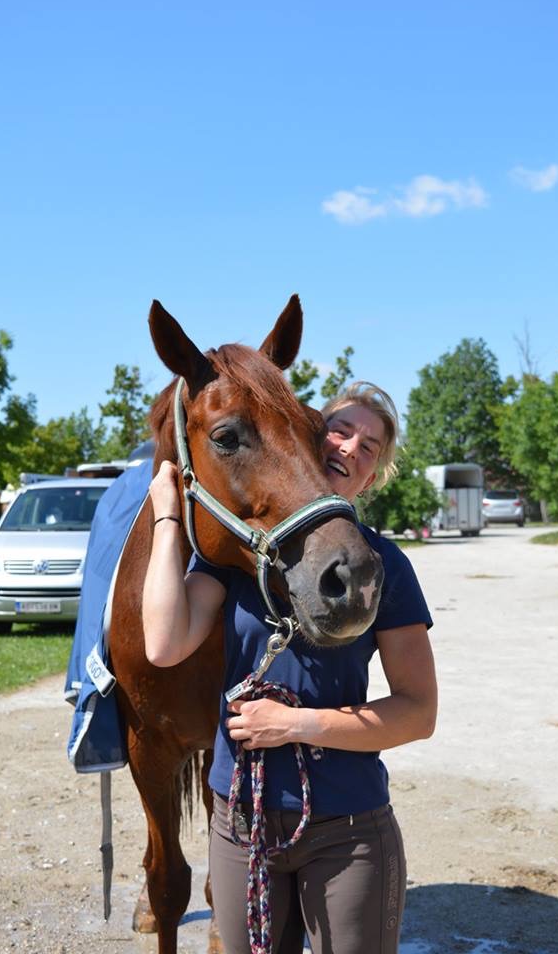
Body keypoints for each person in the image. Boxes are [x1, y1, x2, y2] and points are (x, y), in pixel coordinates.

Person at [143, 380, 437, 954]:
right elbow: (163, 644)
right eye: (340, 430)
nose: (350, 448)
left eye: (370, 447)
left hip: (347, 828)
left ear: (371, 478)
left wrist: (296, 725)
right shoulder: (236, 558)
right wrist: (168, 516)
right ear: (302, 439)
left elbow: (418, 713)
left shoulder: (381, 566)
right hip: (241, 825)